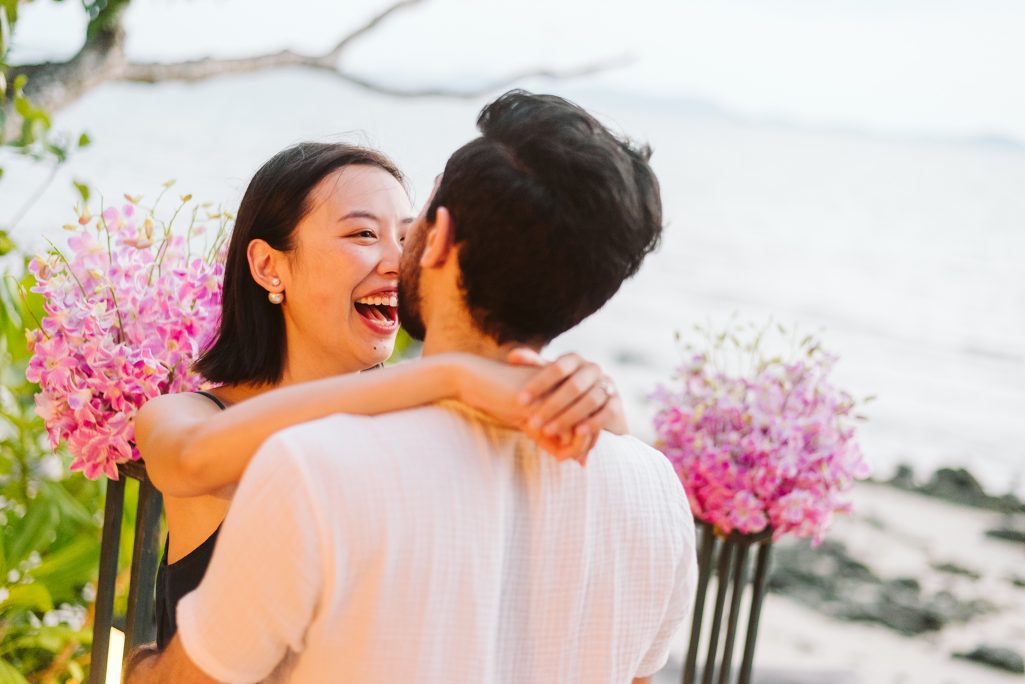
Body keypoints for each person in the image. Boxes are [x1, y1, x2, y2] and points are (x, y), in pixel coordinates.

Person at [129, 90, 697, 684]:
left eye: (407, 230)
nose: (395, 258)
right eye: (361, 234)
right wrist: (446, 374)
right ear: (270, 265)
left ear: (439, 239)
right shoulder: (657, 489)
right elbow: (191, 456)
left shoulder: (319, 469)